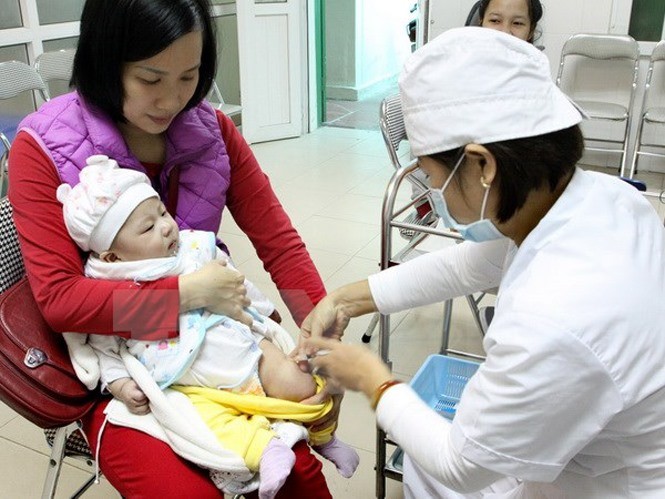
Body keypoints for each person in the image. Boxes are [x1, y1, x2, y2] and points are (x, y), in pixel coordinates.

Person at [298, 27, 665, 498]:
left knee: (434, 469)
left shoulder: (557, 314)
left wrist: (371, 378)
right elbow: (468, 266)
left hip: (610, 485)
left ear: (482, 166)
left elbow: (461, 465)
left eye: (431, 176)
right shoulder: (598, 198)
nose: (432, 192)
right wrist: (345, 299)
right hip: (592, 439)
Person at [8, 0, 336, 497]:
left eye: (189, 76)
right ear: (105, 60)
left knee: (298, 472)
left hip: (212, 341)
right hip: (120, 369)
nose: (172, 101)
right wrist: (188, 293)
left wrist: (321, 332)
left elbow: (278, 241)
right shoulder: (43, 148)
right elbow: (59, 301)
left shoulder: (212, 130)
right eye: (150, 79)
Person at [56, 157, 358, 498]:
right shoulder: (105, 287)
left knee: (305, 385)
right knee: (208, 425)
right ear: (112, 257)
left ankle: (325, 436)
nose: (167, 227)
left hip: (240, 351)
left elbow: (240, 278)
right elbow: (102, 344)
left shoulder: (194, 250)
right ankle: (267, 451)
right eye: (148, 228)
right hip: (186, 382)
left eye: (163, 214)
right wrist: (121, 383)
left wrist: (269, 312)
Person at [475, 0, 543, 44]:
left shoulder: (540, 65)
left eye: (517, 23)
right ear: (481, 23)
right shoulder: (465, 62)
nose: (505, 32)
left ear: (530, 31)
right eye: (495, 20)